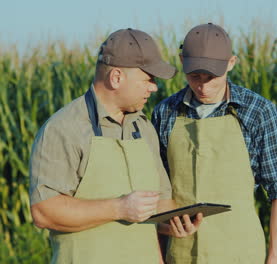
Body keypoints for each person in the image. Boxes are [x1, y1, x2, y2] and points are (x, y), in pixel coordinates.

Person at [29, 28, 202, 264]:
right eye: (148, 78)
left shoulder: (144, 128)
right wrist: (119, 208)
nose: (154, 87)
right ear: (116, 78)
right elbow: (45, 211)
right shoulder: (64, 128)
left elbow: (159, 203)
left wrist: (174, 223)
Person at [152, 23, 277, 263]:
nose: (203, 86)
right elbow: (158, 189)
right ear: (181, 61)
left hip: (240, 252)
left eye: (212, 76)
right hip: (181, 254)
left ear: (231, 63)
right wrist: (164, 228)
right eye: (194, 76)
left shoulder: (258, 111)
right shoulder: (165, 112)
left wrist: (274, 259)